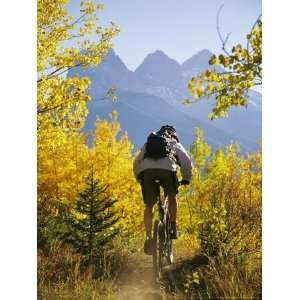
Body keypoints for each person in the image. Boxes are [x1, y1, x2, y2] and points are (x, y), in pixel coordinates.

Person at [133, 125, 192, 255]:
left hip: (147, 172)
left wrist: (139, 177)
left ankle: (148, 236)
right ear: (173, 134)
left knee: (149, 205)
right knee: (172, 196)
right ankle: (172, 226)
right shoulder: (173, 141)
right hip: (167, 170)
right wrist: (186, 178)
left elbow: (136, 160)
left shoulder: (150, 140)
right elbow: (186, 161)